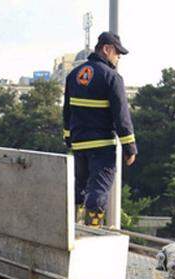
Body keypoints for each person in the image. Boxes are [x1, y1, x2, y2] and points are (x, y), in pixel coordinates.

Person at [63, 31, 137, 228]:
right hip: (102, 146)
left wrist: (68, 139)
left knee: (79, 187)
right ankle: (92, 230)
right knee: (98, 189)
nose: (118, 58)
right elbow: (121, 116)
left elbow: (67, 111)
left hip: (79, 144)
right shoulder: (112, 77)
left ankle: (72, 228)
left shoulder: (73, 76)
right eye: (117, 54)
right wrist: (130, 148)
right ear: (106, 49)